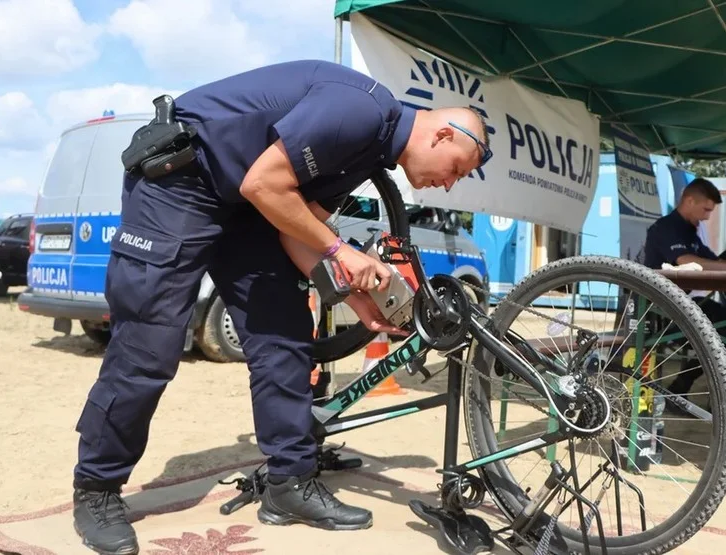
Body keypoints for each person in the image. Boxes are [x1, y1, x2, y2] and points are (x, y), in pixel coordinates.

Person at [70, 60, 492, 555]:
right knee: (150, 345)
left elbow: (297, 232)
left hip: (247, 207)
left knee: (285, 334)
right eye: (457, 170)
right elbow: (264, 186)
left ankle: (288, 484)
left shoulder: (370, 155)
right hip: (182, 184)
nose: (448, 184)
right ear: (442, 135)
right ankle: (96, 489)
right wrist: (343, 250)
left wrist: (361, 301)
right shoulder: (358, 110)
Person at [642, 177, 726, 416]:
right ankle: (724, 402)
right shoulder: (666, 228)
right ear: (689, 200)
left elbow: (714, 262)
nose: (707, 217)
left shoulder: (689, 230)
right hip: (660, 309)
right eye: (706, 210)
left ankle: (687, 389)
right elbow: (687, 261)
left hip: (682, 303)